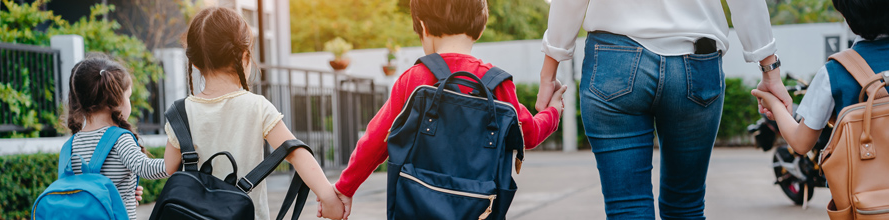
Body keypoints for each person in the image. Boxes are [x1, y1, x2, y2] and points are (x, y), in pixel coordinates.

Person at [536, 0, 790, 219]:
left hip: (615, 59)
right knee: (686, 208)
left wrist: (549, 73)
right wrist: (770, 70)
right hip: (697, 61)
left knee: (627, 208)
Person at [328, 0, 567, 218]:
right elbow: (531, 134)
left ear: (423, 26)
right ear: (480, 27)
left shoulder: (414, 78)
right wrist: (554, 110)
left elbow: (376, 139)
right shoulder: (499, 83)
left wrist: (345, 188)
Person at [160, 7, 345, 220]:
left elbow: (170, 167)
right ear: (244, 56)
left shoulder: (181, 113)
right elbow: (295, 151)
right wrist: (329, 198)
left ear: (195, 63)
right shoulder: (257, 106)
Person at [753, 0, 889, 155]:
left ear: (845, 13)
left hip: (861, 177)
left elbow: (801, 143)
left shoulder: (835, 72)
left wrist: (774, 104)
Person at [65, 56, 169, 220]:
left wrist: (123, 194)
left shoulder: (72, 143)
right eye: (128, 97)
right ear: (114, 101)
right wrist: (179, 157)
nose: (130, 103)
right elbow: (147, 168)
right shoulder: (119, 139)